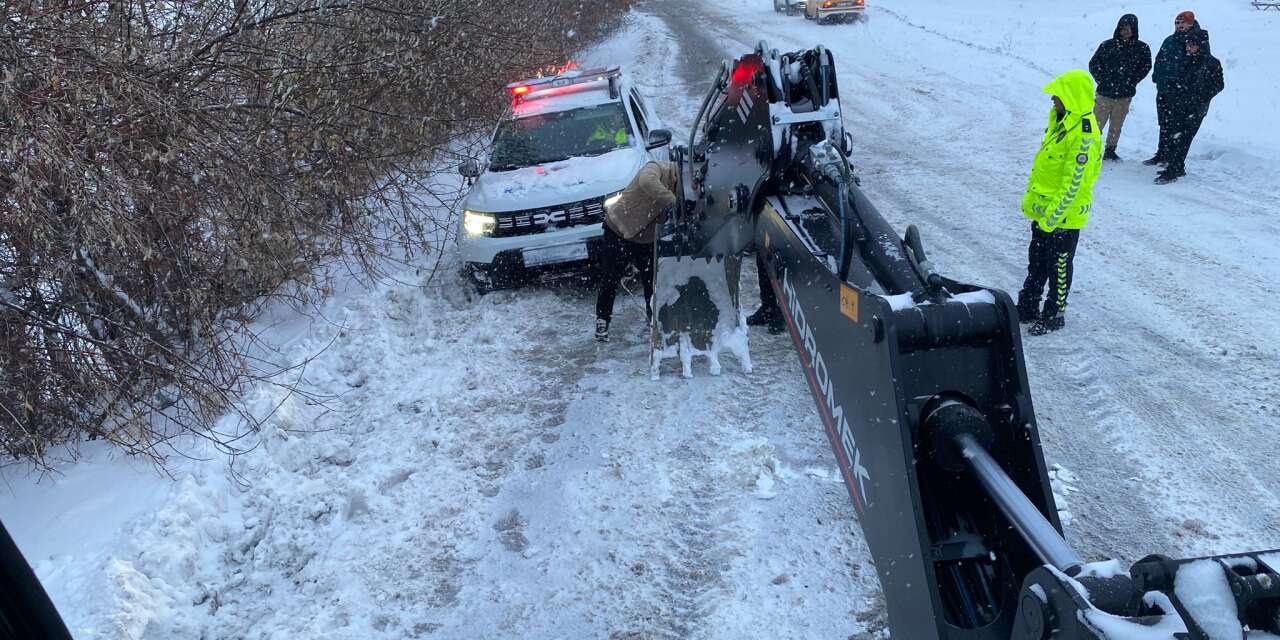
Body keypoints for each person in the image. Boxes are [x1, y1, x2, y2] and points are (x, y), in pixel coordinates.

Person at [1016, 70, 1103, 335]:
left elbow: (1074, 184)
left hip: (1062, 219)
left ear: (1071, 97)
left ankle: (1054, 314)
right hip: (1046, 216)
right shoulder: (1062, 122)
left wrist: (1052, 220)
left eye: (1058, 95)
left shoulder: (1084, 136)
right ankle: (1028, 306)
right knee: (1037, 263)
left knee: (1059, 267)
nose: (1053, 99)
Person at [595, 161, 677, 342]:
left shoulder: (683, 191)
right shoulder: (657, 168)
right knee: (610, 277)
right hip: (618, 228)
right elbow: (647, 181)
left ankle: (653, 320)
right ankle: (602, 319)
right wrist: (672, 201)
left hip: (645, 238)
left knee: (651, 282)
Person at [1155, 30, 1223, 184]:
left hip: (1196, 109)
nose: (1188, 48)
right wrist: (1173, 90)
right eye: (1187, 45)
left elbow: (1218, 85)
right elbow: (1175, 78)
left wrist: (1201, 96)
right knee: (1174, 135)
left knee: (1184, 138)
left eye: (1192, 45)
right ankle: (1176, 166)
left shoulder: (1212, 63)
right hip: (1178, 104)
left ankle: (1174, 169)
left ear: (1201, 45)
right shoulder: (1184, 60)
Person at [1147, 11, 1209, 166]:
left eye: (1183, 22)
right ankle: (1162, 153)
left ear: (1191, 23)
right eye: (1177, 23)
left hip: (1182, 92)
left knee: (1177, 126)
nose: (1179, 25)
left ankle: (1174, 160)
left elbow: (1201, 66)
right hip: (1164, 89)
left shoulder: (1196, 41)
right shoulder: (1170, 40)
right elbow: (1159, 59)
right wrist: (1157, 76)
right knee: (1164, 123)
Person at [1088, 14, 1152, 161]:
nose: (1126, 31)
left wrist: (1132, 81)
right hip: (1104, 93)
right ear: (1118, 28)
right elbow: (1094, 64)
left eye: (1129, 28)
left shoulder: (1141, 48)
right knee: (1096, 124)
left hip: (1124, 95)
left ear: (1135, 29)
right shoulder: (1107, 45)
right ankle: (1090, 150)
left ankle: (1110, 151)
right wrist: (1102, 80)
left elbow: (1146, 67)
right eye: (1123, 28)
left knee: (1116, 125)